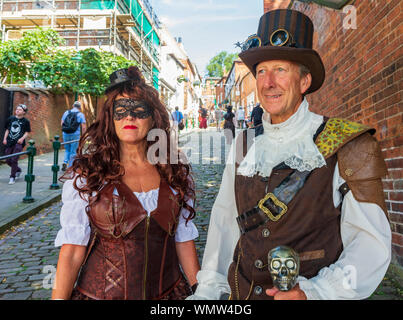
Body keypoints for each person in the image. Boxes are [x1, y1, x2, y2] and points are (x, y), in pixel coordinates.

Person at [188, 9, 391, 300]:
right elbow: (223, 226)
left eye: (280, 70)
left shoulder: (349, 144)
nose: (268, 82)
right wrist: (208, 293)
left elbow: (371, 245)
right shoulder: (243, 144)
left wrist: (317, 292)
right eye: (261, 72)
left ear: (304, 82)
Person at [52, 66, 200, 300]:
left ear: (154, 117)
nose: (129, 116)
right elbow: (71, 252)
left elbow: (183, 240)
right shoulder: (89, 175)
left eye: (139, 109)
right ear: (110, 118)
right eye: (120, 110)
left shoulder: (174, 173)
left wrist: (200, 292)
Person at [2, 104, 31, 185]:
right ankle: (18, 170)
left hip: (18, 143)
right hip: (9, 141)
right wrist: (4, 139)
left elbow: (27, 132)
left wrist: (21, 139)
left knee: (14, 159)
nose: (17, 110)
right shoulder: (11, 119)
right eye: (17, 109)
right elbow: (7, 130)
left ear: (24, 112)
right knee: (8, 160)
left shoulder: (26, 121)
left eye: (20, 110)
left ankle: (12, 177)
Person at [61, 101, 86, 171]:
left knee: (67, 149)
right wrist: (83, 135)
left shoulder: (66, 112)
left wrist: (65, 131)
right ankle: (71, 166)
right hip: (75, 134)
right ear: (80, 107)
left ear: (73, 106)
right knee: (73, 151)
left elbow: (62, 123)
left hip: (65, 133)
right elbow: (83, 127)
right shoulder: (81, 115)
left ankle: (65, 162)